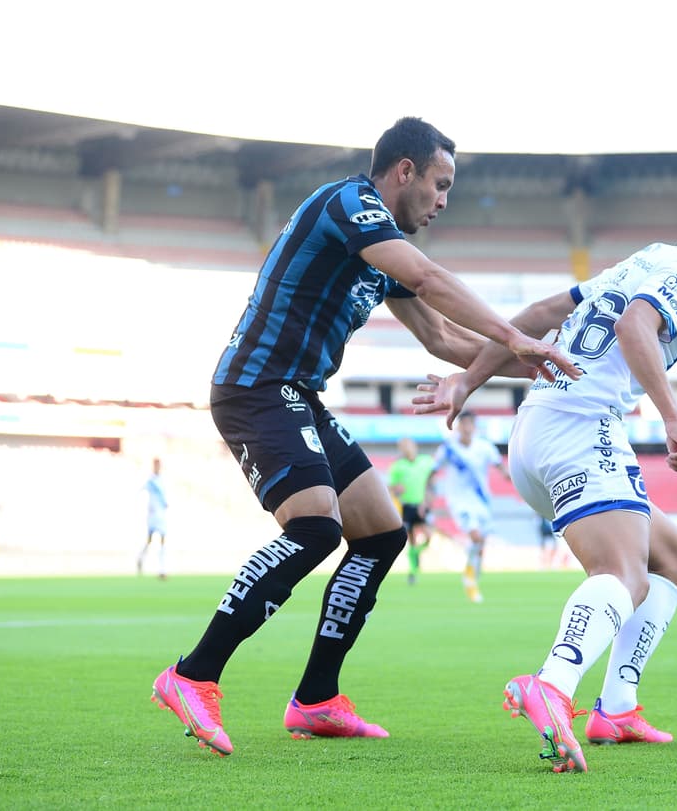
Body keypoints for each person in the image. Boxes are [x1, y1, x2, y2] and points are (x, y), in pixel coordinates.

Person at [150, 116, 580, 757]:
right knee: (317, 528)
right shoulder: (349, 204)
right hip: (258, 387)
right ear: (403, 171)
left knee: (380, 533)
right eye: (440, 184)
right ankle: (192, 674)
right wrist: (516, 334)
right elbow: (432, 280)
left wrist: (530, 363)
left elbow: (443, 339)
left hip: (299, 394)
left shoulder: (381, 255)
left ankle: (317, 698)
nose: (443, 201)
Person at [416, 180, 677, 773]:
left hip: (538, 430)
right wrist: (675, 420)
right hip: (581, 428)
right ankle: (551, 686)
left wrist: (467, 380)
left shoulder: (652, 258)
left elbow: (543, 316)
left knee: (672, 556)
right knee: (623, 574)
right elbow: (634, 328)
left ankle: (617, 708)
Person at [427, 411, 509, 603]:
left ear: (474, 427)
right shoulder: (448, 449)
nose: (466, 428)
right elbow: (433, 471)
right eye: (462, 424)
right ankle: (470, 581)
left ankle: (473, 577)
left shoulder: (484, 447)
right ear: (458, 427)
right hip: (459, 501)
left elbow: (499, 465)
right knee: (475, 536)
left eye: (469, 424)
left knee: (480, 546)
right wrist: (427, 496)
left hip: (482, 501)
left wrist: (509, 475)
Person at [386, 437, 433, 585]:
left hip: (421, 505)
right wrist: (396, 489)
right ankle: (413, 571)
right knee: (411, 539)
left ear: (414, 446)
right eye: (402, 447)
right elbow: (390, 487)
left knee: (428, 536)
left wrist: (427, 501)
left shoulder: (426, 462)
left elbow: (431, 479)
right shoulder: (398, 466)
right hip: (406, 507)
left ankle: (416, 554)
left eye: (408, 446)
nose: (406, 449)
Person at [137, 457, 170, 579]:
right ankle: (140, 558)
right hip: (152, 515)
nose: (158, 467)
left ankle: (162, 570)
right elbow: (139, 492)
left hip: (161, 514)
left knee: (162, 539)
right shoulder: (150, 480)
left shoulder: (162, 479)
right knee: (149, 540)